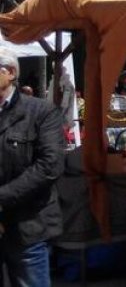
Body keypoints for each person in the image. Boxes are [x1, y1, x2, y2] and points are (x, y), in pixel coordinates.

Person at [0, 48, 65, 286]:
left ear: (10, 73)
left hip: (27, 224)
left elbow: (50, 166)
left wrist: (2, 197)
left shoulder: (41, 111)